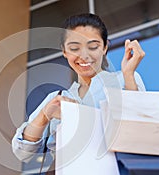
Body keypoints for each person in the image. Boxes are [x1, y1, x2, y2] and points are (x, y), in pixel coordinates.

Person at [12, 13, 146, 162]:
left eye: (93, 46)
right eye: (74, 48)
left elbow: (140, 128)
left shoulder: (124, 79)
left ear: (105, 47)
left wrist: (128, 75)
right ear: (64, 51)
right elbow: (22, 152)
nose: (84, 55)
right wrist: (44, 116)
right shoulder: (56, 98)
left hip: (117, 173)